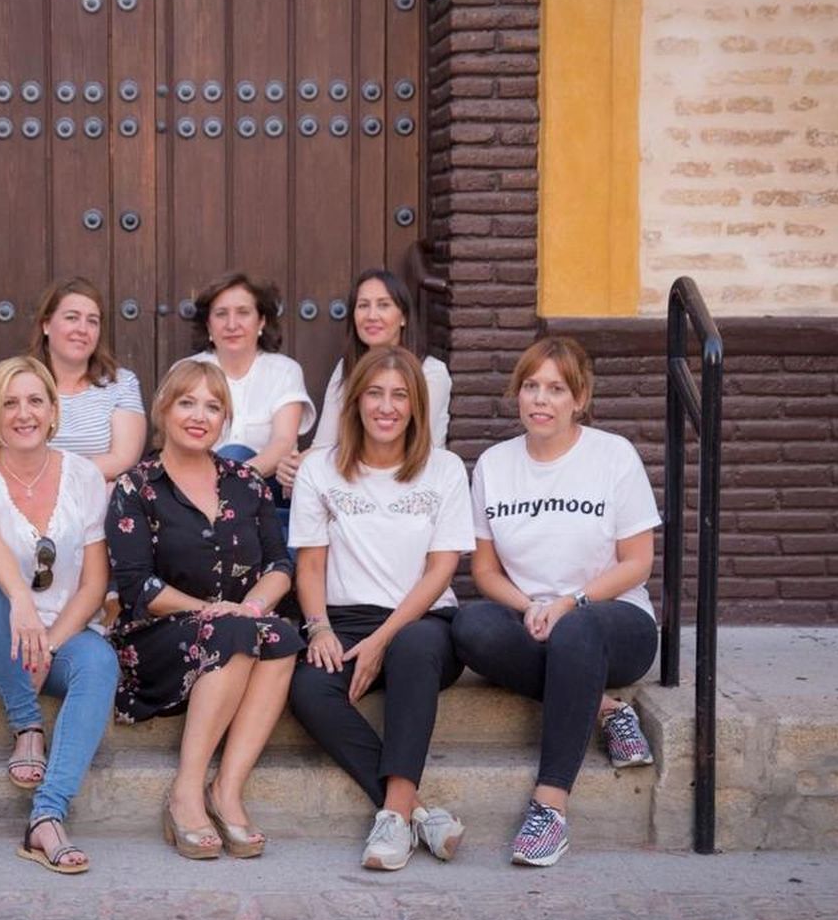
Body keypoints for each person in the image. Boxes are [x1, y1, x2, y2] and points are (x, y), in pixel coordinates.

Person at [451, 336, 661, 868]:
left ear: (579, 399)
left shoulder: (613, 455)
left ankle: (551, 807)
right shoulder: (495, 465)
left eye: (555, 389)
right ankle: (606, 709)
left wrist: (571, 602)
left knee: (577, 631)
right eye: (530, 387)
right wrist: (528, 607)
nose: (540, 400)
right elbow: (484, 570)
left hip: (615, 622)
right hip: (536, 620)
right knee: (470, 625)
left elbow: (637, 562)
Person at [287, 346, 475, 870]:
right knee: (307, 687)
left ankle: (392, 814)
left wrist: (383, 639)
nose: (386, 406)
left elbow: (441, 571)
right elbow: (311, 566)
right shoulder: (321, 470)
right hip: (343, 618)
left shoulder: (444, 469)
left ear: (416, 404)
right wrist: (319, 627)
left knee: (413, 648)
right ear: (355, 401)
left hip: (423, 620)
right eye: (374, 393)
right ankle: (420, 814)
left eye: (399, 395)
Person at [108, 359, 302, 860]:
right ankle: (186, 792)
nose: (200, 415)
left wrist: (254, 604)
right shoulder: (137, 487)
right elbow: (138, 585)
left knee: (280, 635)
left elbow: (281, 562)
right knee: (233, 633)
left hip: (231, 628)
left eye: (213, 406)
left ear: (224, 420)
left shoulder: (247, 483)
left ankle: (227, 789)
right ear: (164, 410)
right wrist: (215, 610)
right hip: (157, 637)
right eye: (187, 402)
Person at [0, 357, 116, 874]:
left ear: (52, 410)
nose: (24, 413)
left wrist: (51, 643)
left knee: (99, 661)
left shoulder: (82, 475)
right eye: (10, 403)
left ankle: (47, 815)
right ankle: (27, 725)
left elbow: (94, 582)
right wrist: (20, 601)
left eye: (35, 400)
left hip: (52, 633)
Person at [289, 268, 451, 470]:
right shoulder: (346, 367)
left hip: (412, 476)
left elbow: (411, 448)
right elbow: (324, 445)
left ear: (403, 317)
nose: (371, 315)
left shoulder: (431, 372)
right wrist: (295, 466)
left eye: (383, 305)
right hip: (347, 473)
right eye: (363, 305)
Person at [183, 273, 315, 504]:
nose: (232, 324)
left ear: (261, 321)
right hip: (198, 490)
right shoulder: (187, 371)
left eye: (243, 313)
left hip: (266, 489)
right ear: (208, 324)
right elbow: (177, 442)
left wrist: (234, 477)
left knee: (235, 455)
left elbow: (283, 442)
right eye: (221, 314)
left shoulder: (285, 371)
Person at [27, 276, 146, 483]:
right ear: (46, 325)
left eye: (92, 321)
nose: (82, 329)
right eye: (72, 318)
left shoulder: (121, 383)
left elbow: (123, 458)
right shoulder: (18, 381)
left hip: (96, 503)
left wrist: (58, 478)